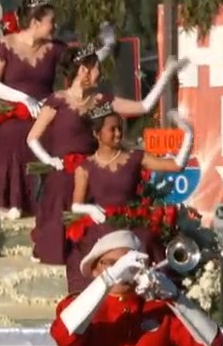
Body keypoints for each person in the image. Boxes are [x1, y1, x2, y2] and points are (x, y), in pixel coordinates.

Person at [27, 45, 188, 266]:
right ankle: (57, 246)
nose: (99, 74)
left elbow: (143, 106)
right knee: (63, 182)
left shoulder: (100, 100)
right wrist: (50, 160)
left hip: (93, 167)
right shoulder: (58, 100)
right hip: (64, 170)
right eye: (96, 68)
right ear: (83, 70)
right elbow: (32, 138)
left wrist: (166, 75)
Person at [49, 228, 223, 346]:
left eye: (128, 264)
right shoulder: (77, 305)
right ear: (94, 270)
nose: (122, 270)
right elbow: (64, 334)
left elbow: (212, 342)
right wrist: (109, 278)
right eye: (111, 263)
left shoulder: (157, 309)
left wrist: (175, 297)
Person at [0, 0, 114, 220]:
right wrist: (24, 99)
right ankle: (8, 200)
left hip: (47, 110)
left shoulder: (55, 49)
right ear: (35, 23)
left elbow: (84, 61)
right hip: (14, 109)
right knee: (11, 134)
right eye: (52, 21)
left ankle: (50, 199)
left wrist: (106, 43)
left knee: (60, 133)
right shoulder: (5, 45)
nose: (55, 26)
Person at [64, 106, 194, 292]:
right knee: (89, 245)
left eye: (120, 128)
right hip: (102, 222)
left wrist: (188, 135)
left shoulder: (135, 157)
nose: (118, 134)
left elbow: (176, 166)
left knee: (146, 240)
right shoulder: (85, 167)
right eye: (112, 129)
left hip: (133, 222)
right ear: (97, 133)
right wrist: (89, 210)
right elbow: (76, 205)